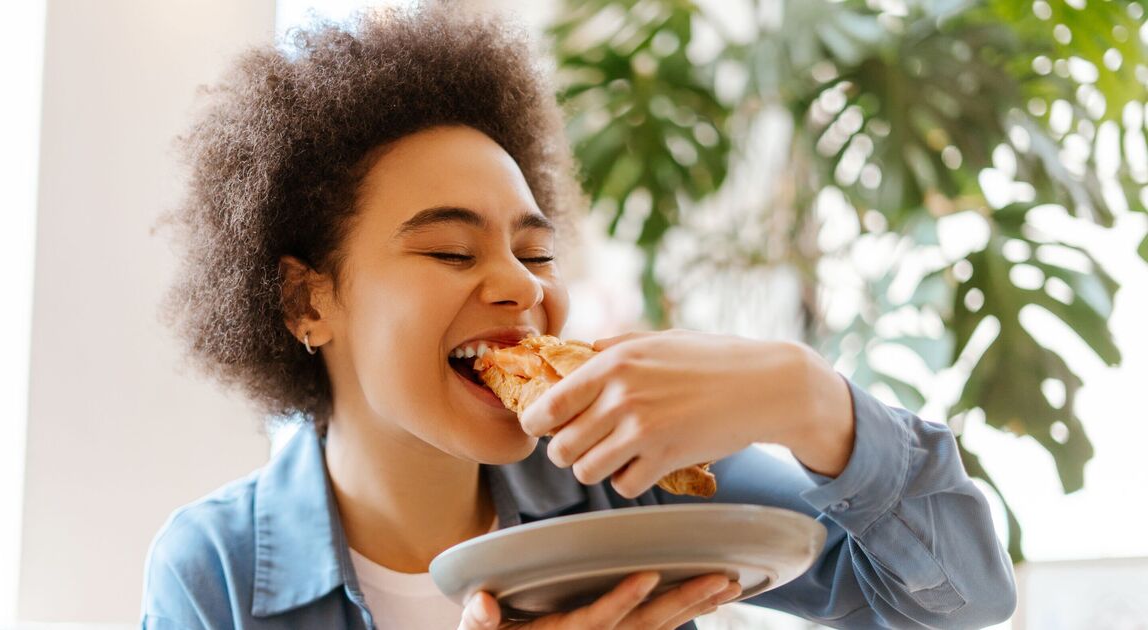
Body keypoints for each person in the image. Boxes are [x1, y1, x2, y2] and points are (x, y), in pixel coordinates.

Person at [141, 5, 1017, 629]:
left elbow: (959, 599)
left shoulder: (627, 480)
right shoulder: (215, 577)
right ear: (307, 299)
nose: (521, 288)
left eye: (536, 250)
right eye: (452, 251)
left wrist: (807, 397)